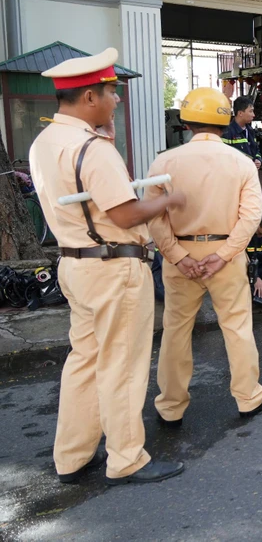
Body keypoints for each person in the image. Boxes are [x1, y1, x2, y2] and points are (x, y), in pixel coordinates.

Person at [30, 47, 185, 486]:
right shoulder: (92, 150)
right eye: (111, 93)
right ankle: (126, 458)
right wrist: (166, 200)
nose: (117, 99)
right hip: (114, 268)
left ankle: (73, 457)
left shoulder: (45, 142)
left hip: (75, 265)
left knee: (84, 360)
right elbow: (125, 215)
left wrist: (108, 141)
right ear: (89, 98)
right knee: (122, 363)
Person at [146, 87, 262, 427]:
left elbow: (154, 217)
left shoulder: (164, 162)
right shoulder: (242, 163)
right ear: (225, 120)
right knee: (237, 327)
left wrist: (176, 255)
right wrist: (223, 255)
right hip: (226, 257)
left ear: (185, 121)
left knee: (176, 330)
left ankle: (170, 407)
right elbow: (250, 216)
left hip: (181, 257)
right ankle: (248, 398)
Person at [222, 95, 262, 169]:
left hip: (250, 174)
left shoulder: (250, 131)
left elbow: (256, 150)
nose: (253, 115)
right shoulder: (227, 132)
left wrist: (258, 159)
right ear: (240, 113)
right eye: (250, 111)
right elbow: (224, 157)